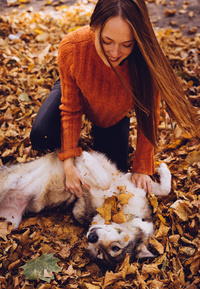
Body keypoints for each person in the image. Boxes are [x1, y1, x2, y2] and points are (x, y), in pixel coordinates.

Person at [30, 0, 199, 197]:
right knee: (41, 135)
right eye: (107, 41)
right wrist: (68, 161)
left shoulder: (147, 60)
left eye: (126, 44)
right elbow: (70, 108)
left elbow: (149, 113)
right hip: (79, 90)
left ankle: (96, 138)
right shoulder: (73, 47)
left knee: (115, 171)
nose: (115, 52)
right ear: (95, 27)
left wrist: (143, 166)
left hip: (113, 112)